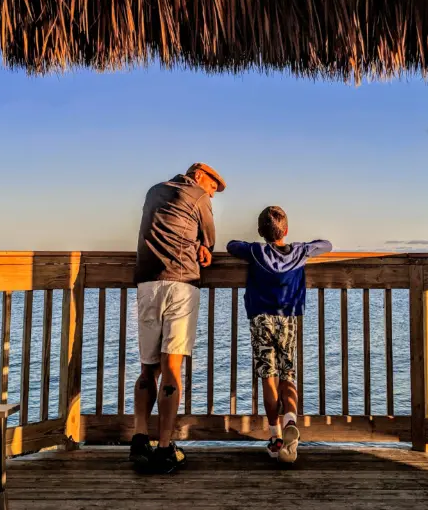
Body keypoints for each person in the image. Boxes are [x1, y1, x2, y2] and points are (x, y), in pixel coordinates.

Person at [130, 163, 226, 474]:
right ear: (200, 175)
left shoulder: (153, 191)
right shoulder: (197, 196)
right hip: (181, 284)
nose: (211, 194)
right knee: (171, 368)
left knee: (148, 367)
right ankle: (165, 447)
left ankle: (139, 439)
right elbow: (209, 237)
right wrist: (204, 247)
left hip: (147, 282)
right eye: (212, 187)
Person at [227, 206, 332, 464]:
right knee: (288, 373)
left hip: (261, 319)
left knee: (268, 377)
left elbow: (231, 245)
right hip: (288, 319)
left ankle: (274, 436)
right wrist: (303, 246)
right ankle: (291, 422)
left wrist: (252, 242)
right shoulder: (299, 252)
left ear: (262, 232)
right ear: (285, 230)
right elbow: (326, 245)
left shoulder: (256, 251)